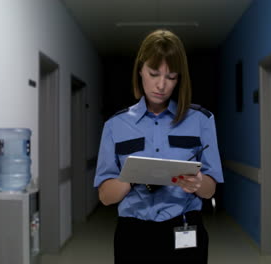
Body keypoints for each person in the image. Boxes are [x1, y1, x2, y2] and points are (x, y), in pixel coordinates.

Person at [94, 29, 223, 264]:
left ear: (179, 79)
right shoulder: (115, 125)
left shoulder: (201, 120)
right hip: (133, 234)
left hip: (184, 228)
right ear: (140, 70)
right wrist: (131, 178)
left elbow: (210, 190)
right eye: (154, 73)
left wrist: (197, 183)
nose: (161, 85)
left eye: (171, 77)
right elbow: (105, 197)